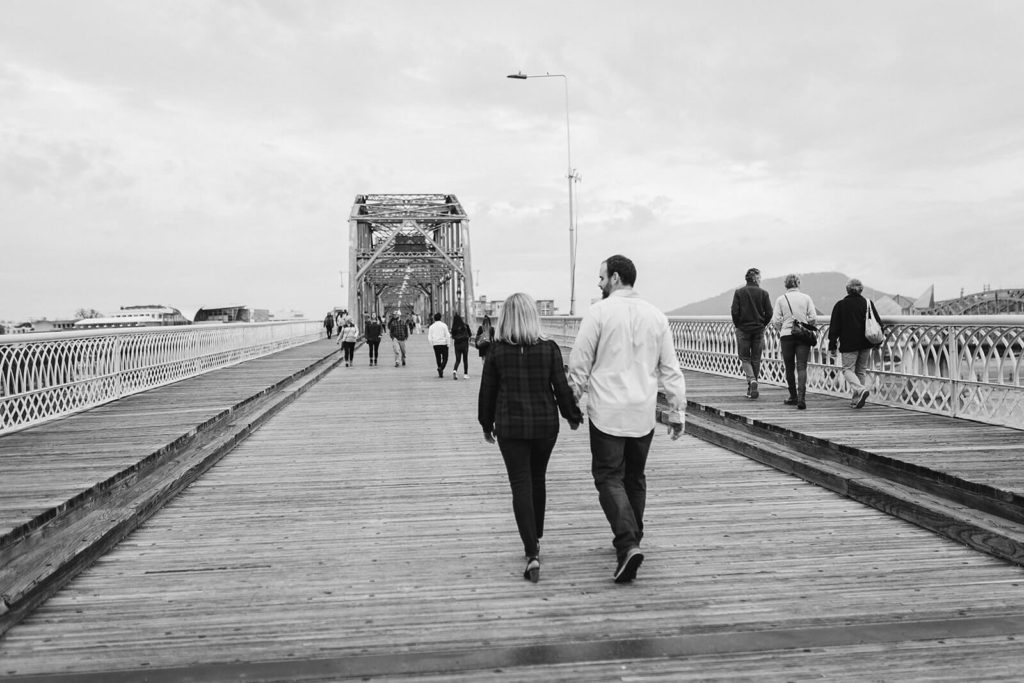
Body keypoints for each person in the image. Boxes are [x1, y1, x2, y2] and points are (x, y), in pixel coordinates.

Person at [568, 255, 687, 584]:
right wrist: (677, 410)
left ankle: (627, 543)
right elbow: (670, 369)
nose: (600, 283)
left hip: (607, 410)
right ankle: (633, 534)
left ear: (616, 278)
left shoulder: (599, 313)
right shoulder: (656, 316)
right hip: (642, 411)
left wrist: (574, 399)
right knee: (634, 477)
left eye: (602, 277)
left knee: (608, 477)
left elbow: (580, 361)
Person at [478, 293, 583, 583]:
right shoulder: (549, 349)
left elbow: (487, 392)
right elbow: (561, 387)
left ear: (506, 319)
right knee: (538, 479)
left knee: (520, 484)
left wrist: (486, 424)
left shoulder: (497, 351)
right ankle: (536, 534)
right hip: (545, 426)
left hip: (511, 427)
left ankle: (531, 551)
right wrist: (572, 416)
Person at [827, 278, 883, 409]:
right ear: (861, 290)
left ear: (847, 289)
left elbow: (834, 327)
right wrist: (878, 342)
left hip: (849, 343)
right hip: (866, 342)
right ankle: (856, 400)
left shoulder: (840, 305)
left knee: (847, 370)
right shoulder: (867, 303)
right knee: (860, 371)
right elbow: (878, 322)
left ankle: (860, 390)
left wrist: (832, 345)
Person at [771, 274, 817, 410]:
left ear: (786, 285)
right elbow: (813, 318)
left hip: (787, 336)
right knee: (802, 367)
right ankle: (802, 398)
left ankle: (793, 396)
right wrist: (804, 325)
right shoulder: (806, 298)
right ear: (798, 283)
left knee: (789, 367)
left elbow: (776, 321)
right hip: (802, 336)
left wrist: (784, 328)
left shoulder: (781, 299)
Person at [730, 267, 773, 399]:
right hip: (758, 330)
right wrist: (762, 324)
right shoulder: (764, 293)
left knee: (744, 358)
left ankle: (751, 381)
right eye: (760, 277)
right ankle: (752, 387)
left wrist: (739, 325)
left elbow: (734, 312)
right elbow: (769, 313)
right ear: (756, 278)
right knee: (756, 359)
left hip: (743, 329)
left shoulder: (739, 292)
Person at [427, 312, 451, 378]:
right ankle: (441, 368)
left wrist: (432, 344)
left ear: (434, 319)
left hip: (436, 344)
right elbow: (447, 335)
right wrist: (448, 343)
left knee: (438, 358)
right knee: (445, 358)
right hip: (444, 344)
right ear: (441, 318)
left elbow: (429, 337)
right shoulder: (444, 325)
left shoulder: (431, 326)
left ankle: (440, 371)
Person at [450, 313, 473, 379]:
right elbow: (470, 334)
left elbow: (453, 337)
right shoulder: (465, 326)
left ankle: (455, 371)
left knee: (458, 360)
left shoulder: (454, 328)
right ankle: (465, 374)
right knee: (465, 360)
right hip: (465, 345)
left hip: (457, 345)